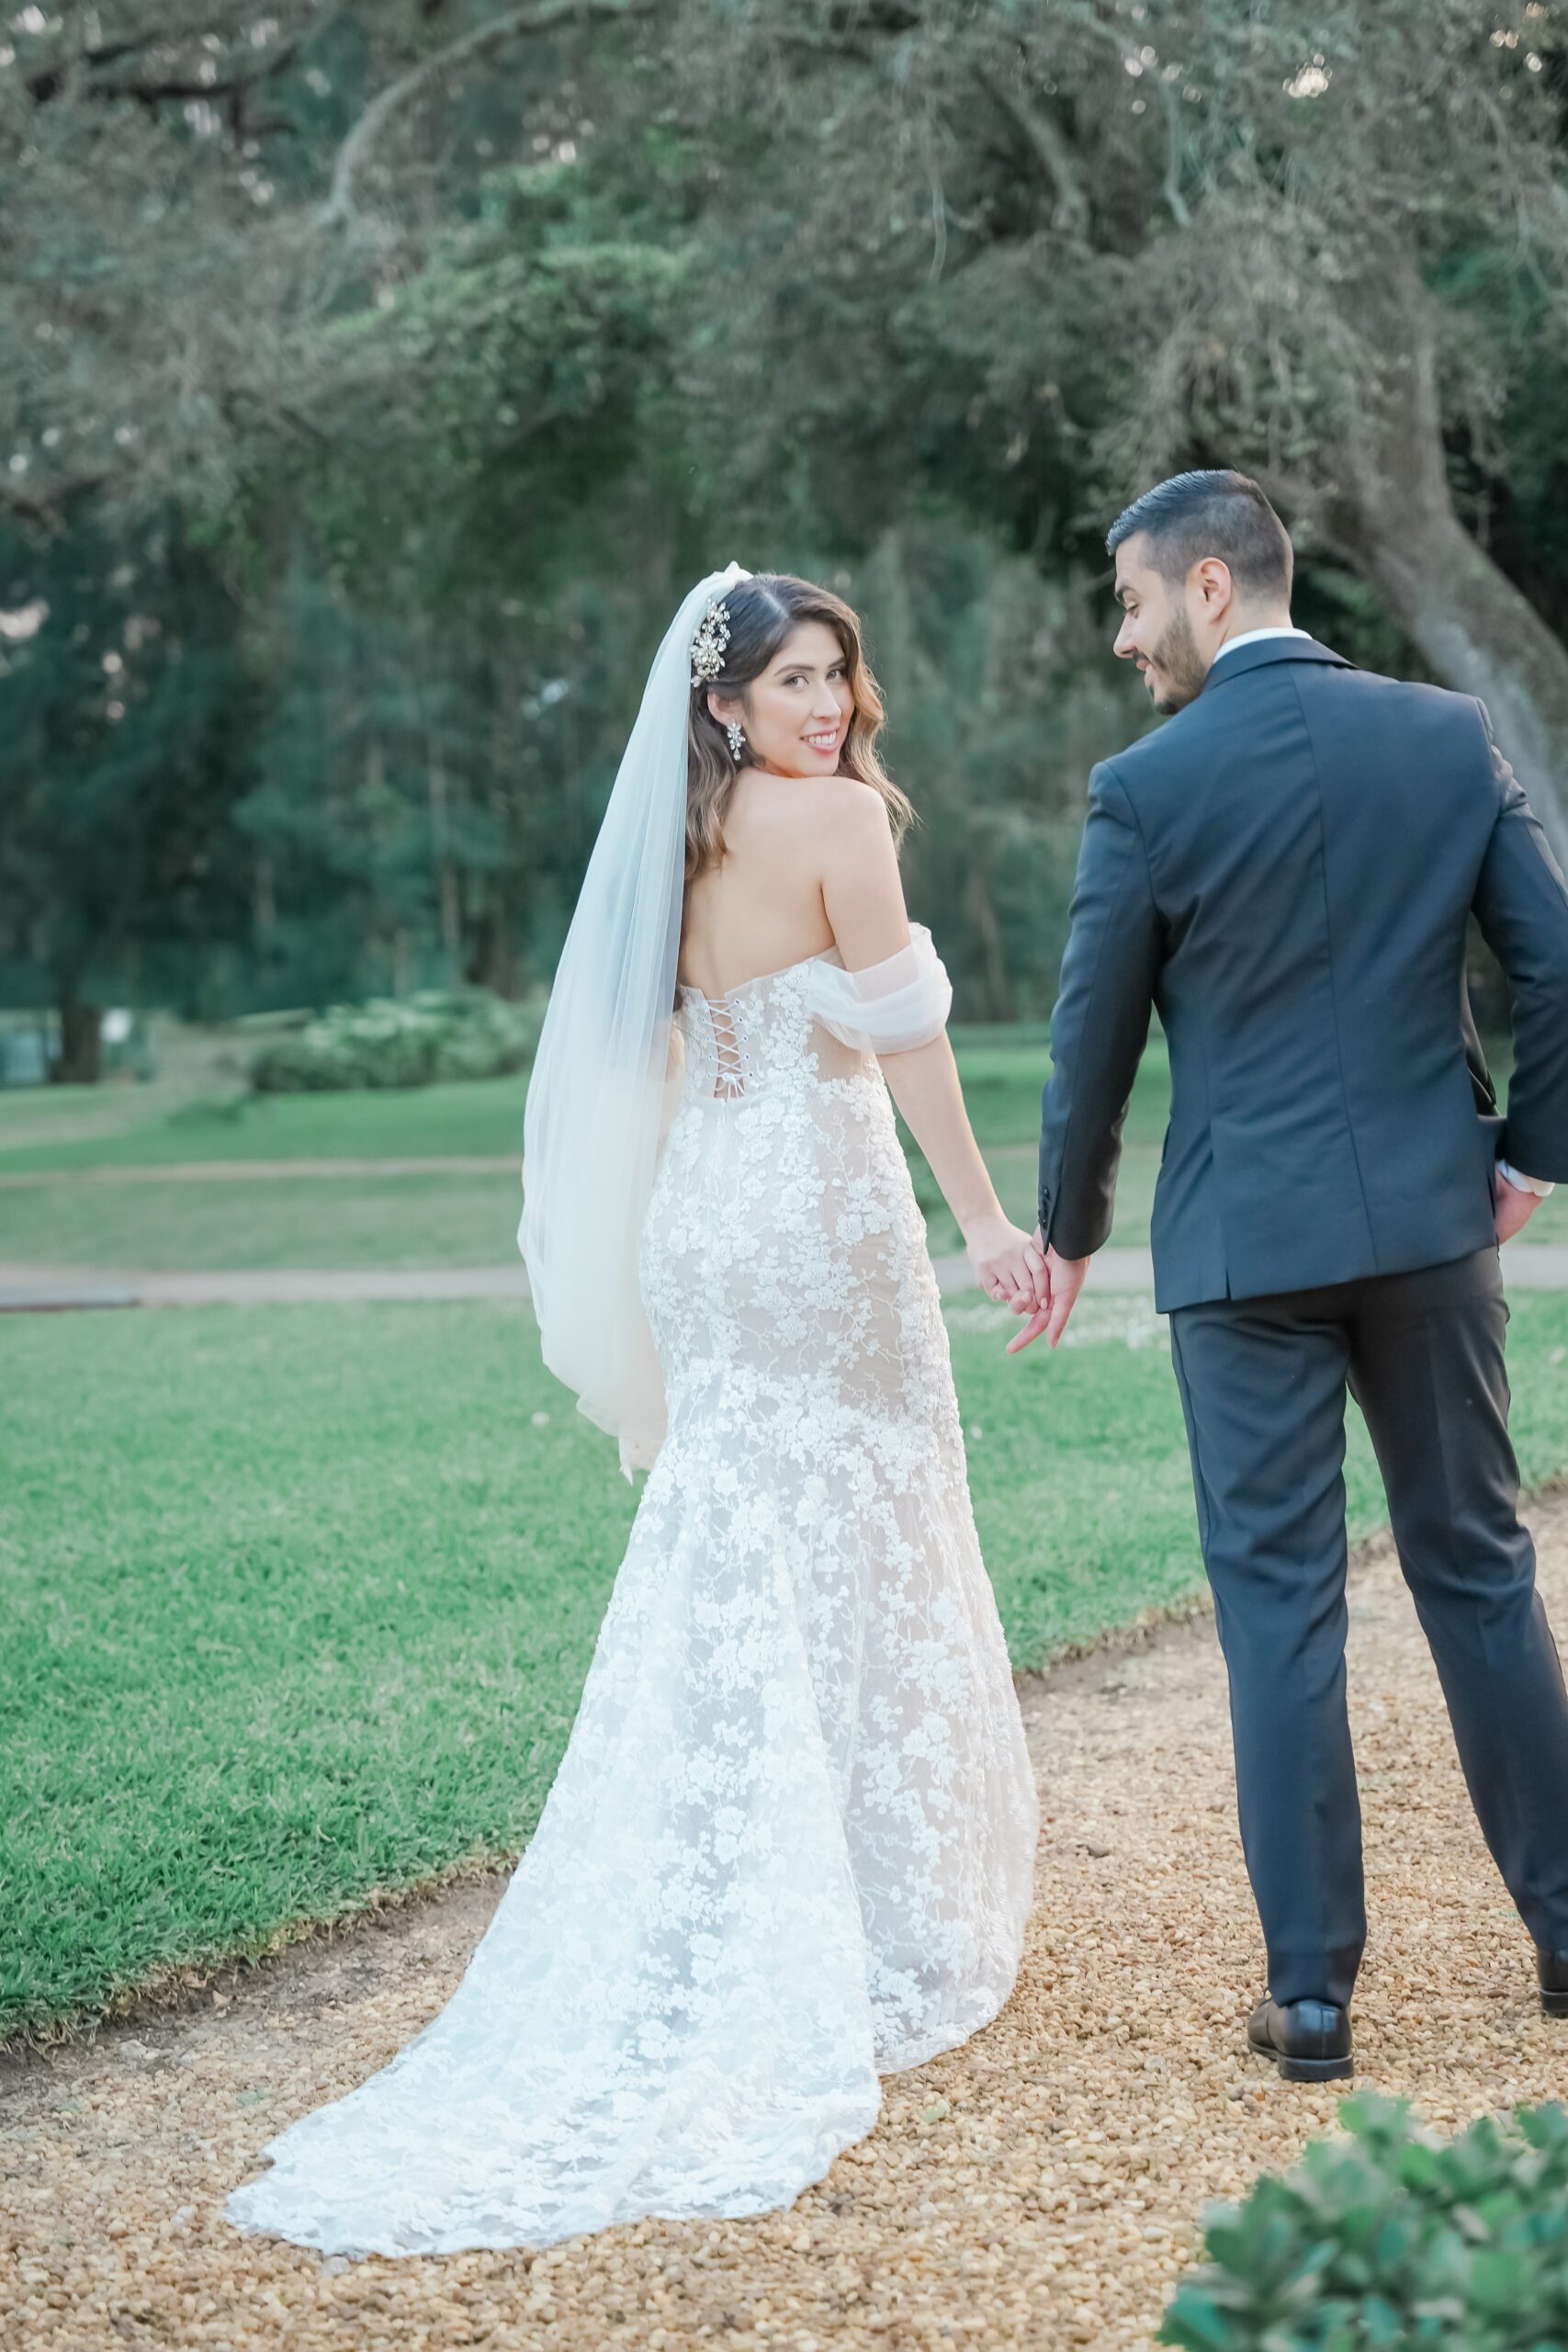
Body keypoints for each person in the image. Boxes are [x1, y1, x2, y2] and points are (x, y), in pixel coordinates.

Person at [225, 565, 1040, 2256]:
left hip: (706, 1219)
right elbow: (905, 1049)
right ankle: (871, 1912)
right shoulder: (837, 829)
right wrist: (983, 1222)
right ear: (725, 699)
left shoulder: (668, 841)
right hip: (819, 1217)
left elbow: (653, 1061)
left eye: (840, 674)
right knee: (872, 1515)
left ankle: (721, 1895)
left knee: (737, 1527)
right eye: (796, 679)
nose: (827, 704)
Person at [1012, 468, 1568, 2084]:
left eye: (1128, 601)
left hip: (1245, 1252)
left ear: (1206, 588)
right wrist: (1526, 1154)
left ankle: (1312, 1996)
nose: (1123, 639)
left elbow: (1089, 1042)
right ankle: (1565, 1932)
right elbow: (1555, 960)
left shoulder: (1146, 788)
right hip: (1432, 1228)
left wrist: (1070, 1224)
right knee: (1477, 1568)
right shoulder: (1443, 736)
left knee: (1277, 1603)